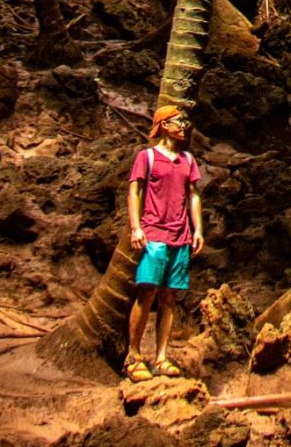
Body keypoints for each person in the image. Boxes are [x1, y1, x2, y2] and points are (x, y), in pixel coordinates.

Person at [123, 105, 204, 382]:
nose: (183, 125)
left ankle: (160, 357)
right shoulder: (146, 157)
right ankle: (133, 356)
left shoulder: (188, 161)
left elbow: (193, 195)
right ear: (164, 125)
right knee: (146, 295)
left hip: (180, 236)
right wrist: (136, 227)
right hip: (154, 234)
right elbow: (134, 191)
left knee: (169, 298)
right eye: (177, 121)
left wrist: (198, 230)